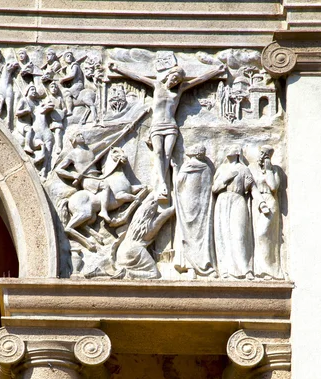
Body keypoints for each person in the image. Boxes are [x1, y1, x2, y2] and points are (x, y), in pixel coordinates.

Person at [109, 60, 225, 201]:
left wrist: (217, 71)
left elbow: (199, 79)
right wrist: (118, 69)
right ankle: (163, 184)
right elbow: (137, 77)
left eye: (177, 80)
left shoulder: (180, 90)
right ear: (168, 75)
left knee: (167, 155)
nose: (174, 81)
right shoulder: (157, 85)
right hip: (157, 126)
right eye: (173, 77)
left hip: (171, 126)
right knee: (158, 153)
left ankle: (162, 186)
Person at [212, 145, 262, 279]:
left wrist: (261, 202)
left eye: (232, 149)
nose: (228, 151)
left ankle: (246, 269)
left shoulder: (244, 169)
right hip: (223, 201)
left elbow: (252, 188)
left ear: (237, 153)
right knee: (223, 235)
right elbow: (214, 189)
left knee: (239, 234)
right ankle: (225, 269)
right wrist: (225, 179)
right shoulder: (222, 169)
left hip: (238, 200)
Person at [173, 144, 217, 277]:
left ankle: (191, 267)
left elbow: (178, 183)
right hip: (203, 205)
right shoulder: (208, 168)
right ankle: (204, 265)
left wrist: (175, 169)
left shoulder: (187, 165)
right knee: (201, 234)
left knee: (187, 233)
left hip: (188, 203)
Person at [250, 145, 283, 279]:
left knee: (264, 234)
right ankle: (260, 270)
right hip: (257, 202)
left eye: (266, 155)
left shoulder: (274, 170)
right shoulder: (252, 168)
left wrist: (269, 170)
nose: (262, 156)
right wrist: (260, 202)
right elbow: (251, 186)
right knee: (257, 236)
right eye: (261, 153)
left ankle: (270, 270)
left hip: (270, 201)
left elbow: (274, 187)